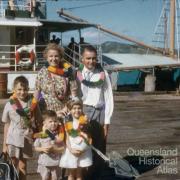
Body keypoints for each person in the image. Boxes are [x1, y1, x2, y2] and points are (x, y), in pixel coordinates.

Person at [76, 45, 114, 179]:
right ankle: (83, 175)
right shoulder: (77, 74)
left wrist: (107, 121)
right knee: (83, 144)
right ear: (82, 58)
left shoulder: (103, 73)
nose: (91, 61)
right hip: (84, 111)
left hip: (100, 111)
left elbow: (108, 97)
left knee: (99, 145)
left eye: (93, 58)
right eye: (88, 58)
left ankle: (97, 175)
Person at [2, 76, 42, 180]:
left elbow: (39, 121)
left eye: (25, 89)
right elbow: (6, 125)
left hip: (26, 138)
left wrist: (42, 137)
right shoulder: (9, 104)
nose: (22, 92)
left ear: (28, 89)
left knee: (23, 166)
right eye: (19, 89)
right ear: (14, 89)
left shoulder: (33, 104)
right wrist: (4, 145)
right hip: (12, 138)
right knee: (13, 165)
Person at [35, 43, 78, 117]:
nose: (53, 59)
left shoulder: (68, 72)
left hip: (65, 112)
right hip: (48, 115)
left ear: (60, 57)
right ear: (46, 58)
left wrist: (66, 108)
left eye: (56, 56)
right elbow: (36, 93)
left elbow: (74, 95)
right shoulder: (42, 73)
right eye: (51, 56)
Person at [59, 99, 92, 180]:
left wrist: (83, 149)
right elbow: (66, 137)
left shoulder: (84, 120)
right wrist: (71, 149)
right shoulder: (67, 120)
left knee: (79, 174)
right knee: (71, 174)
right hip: (71, 149)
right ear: (70, 110)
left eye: (79, 108)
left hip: (82, 150)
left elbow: (88, 136)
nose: (77, 110)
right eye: (74, 108)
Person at [34, 110, 64, 180]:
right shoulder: (41, 134)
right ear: (45, 123)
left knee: (55, 178)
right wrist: (42, 149)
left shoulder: (60, 134)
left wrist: (55, 149)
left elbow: (63, 148)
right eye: (50, 122)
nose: (53, 123)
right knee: (45, 178)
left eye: (55, 121)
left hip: (56, 163)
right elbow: (36, 147)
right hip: (44, 162)